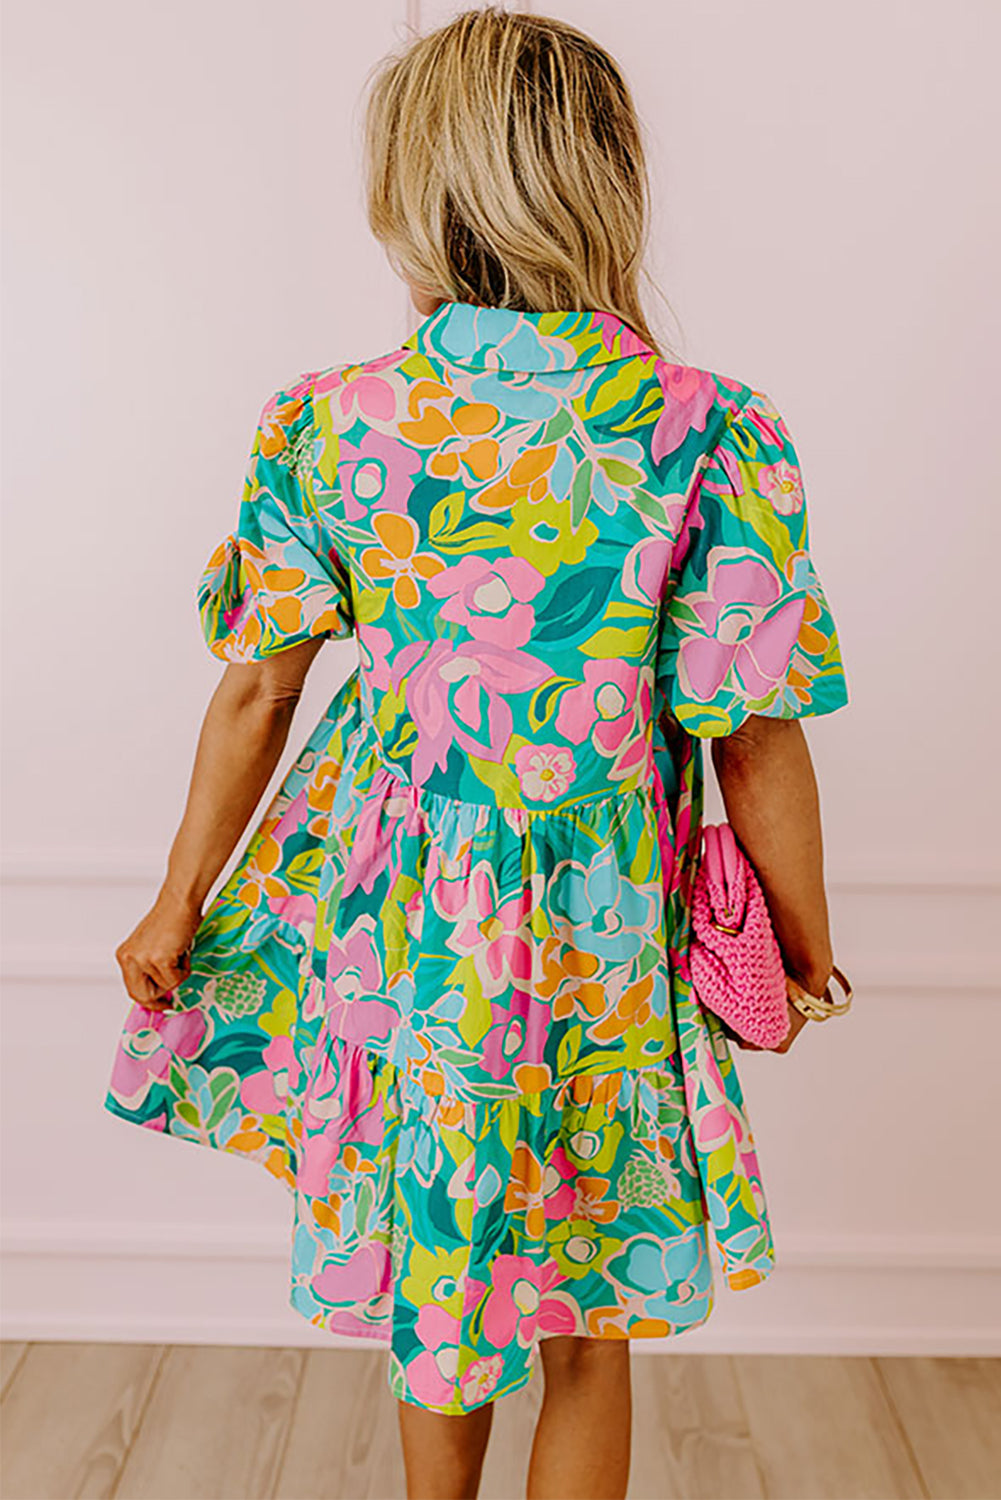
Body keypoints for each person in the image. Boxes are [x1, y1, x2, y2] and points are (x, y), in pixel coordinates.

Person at [104, 8, 850, 1498]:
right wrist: (804, 939)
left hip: (401, 926)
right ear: (602, 177)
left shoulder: (331, 426)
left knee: (428, 1280)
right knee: (589, 1313)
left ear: (413, 187)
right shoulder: (703, 429)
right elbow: (751, 730)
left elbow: (257, 693)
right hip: (602, 928)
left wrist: (175, 899)